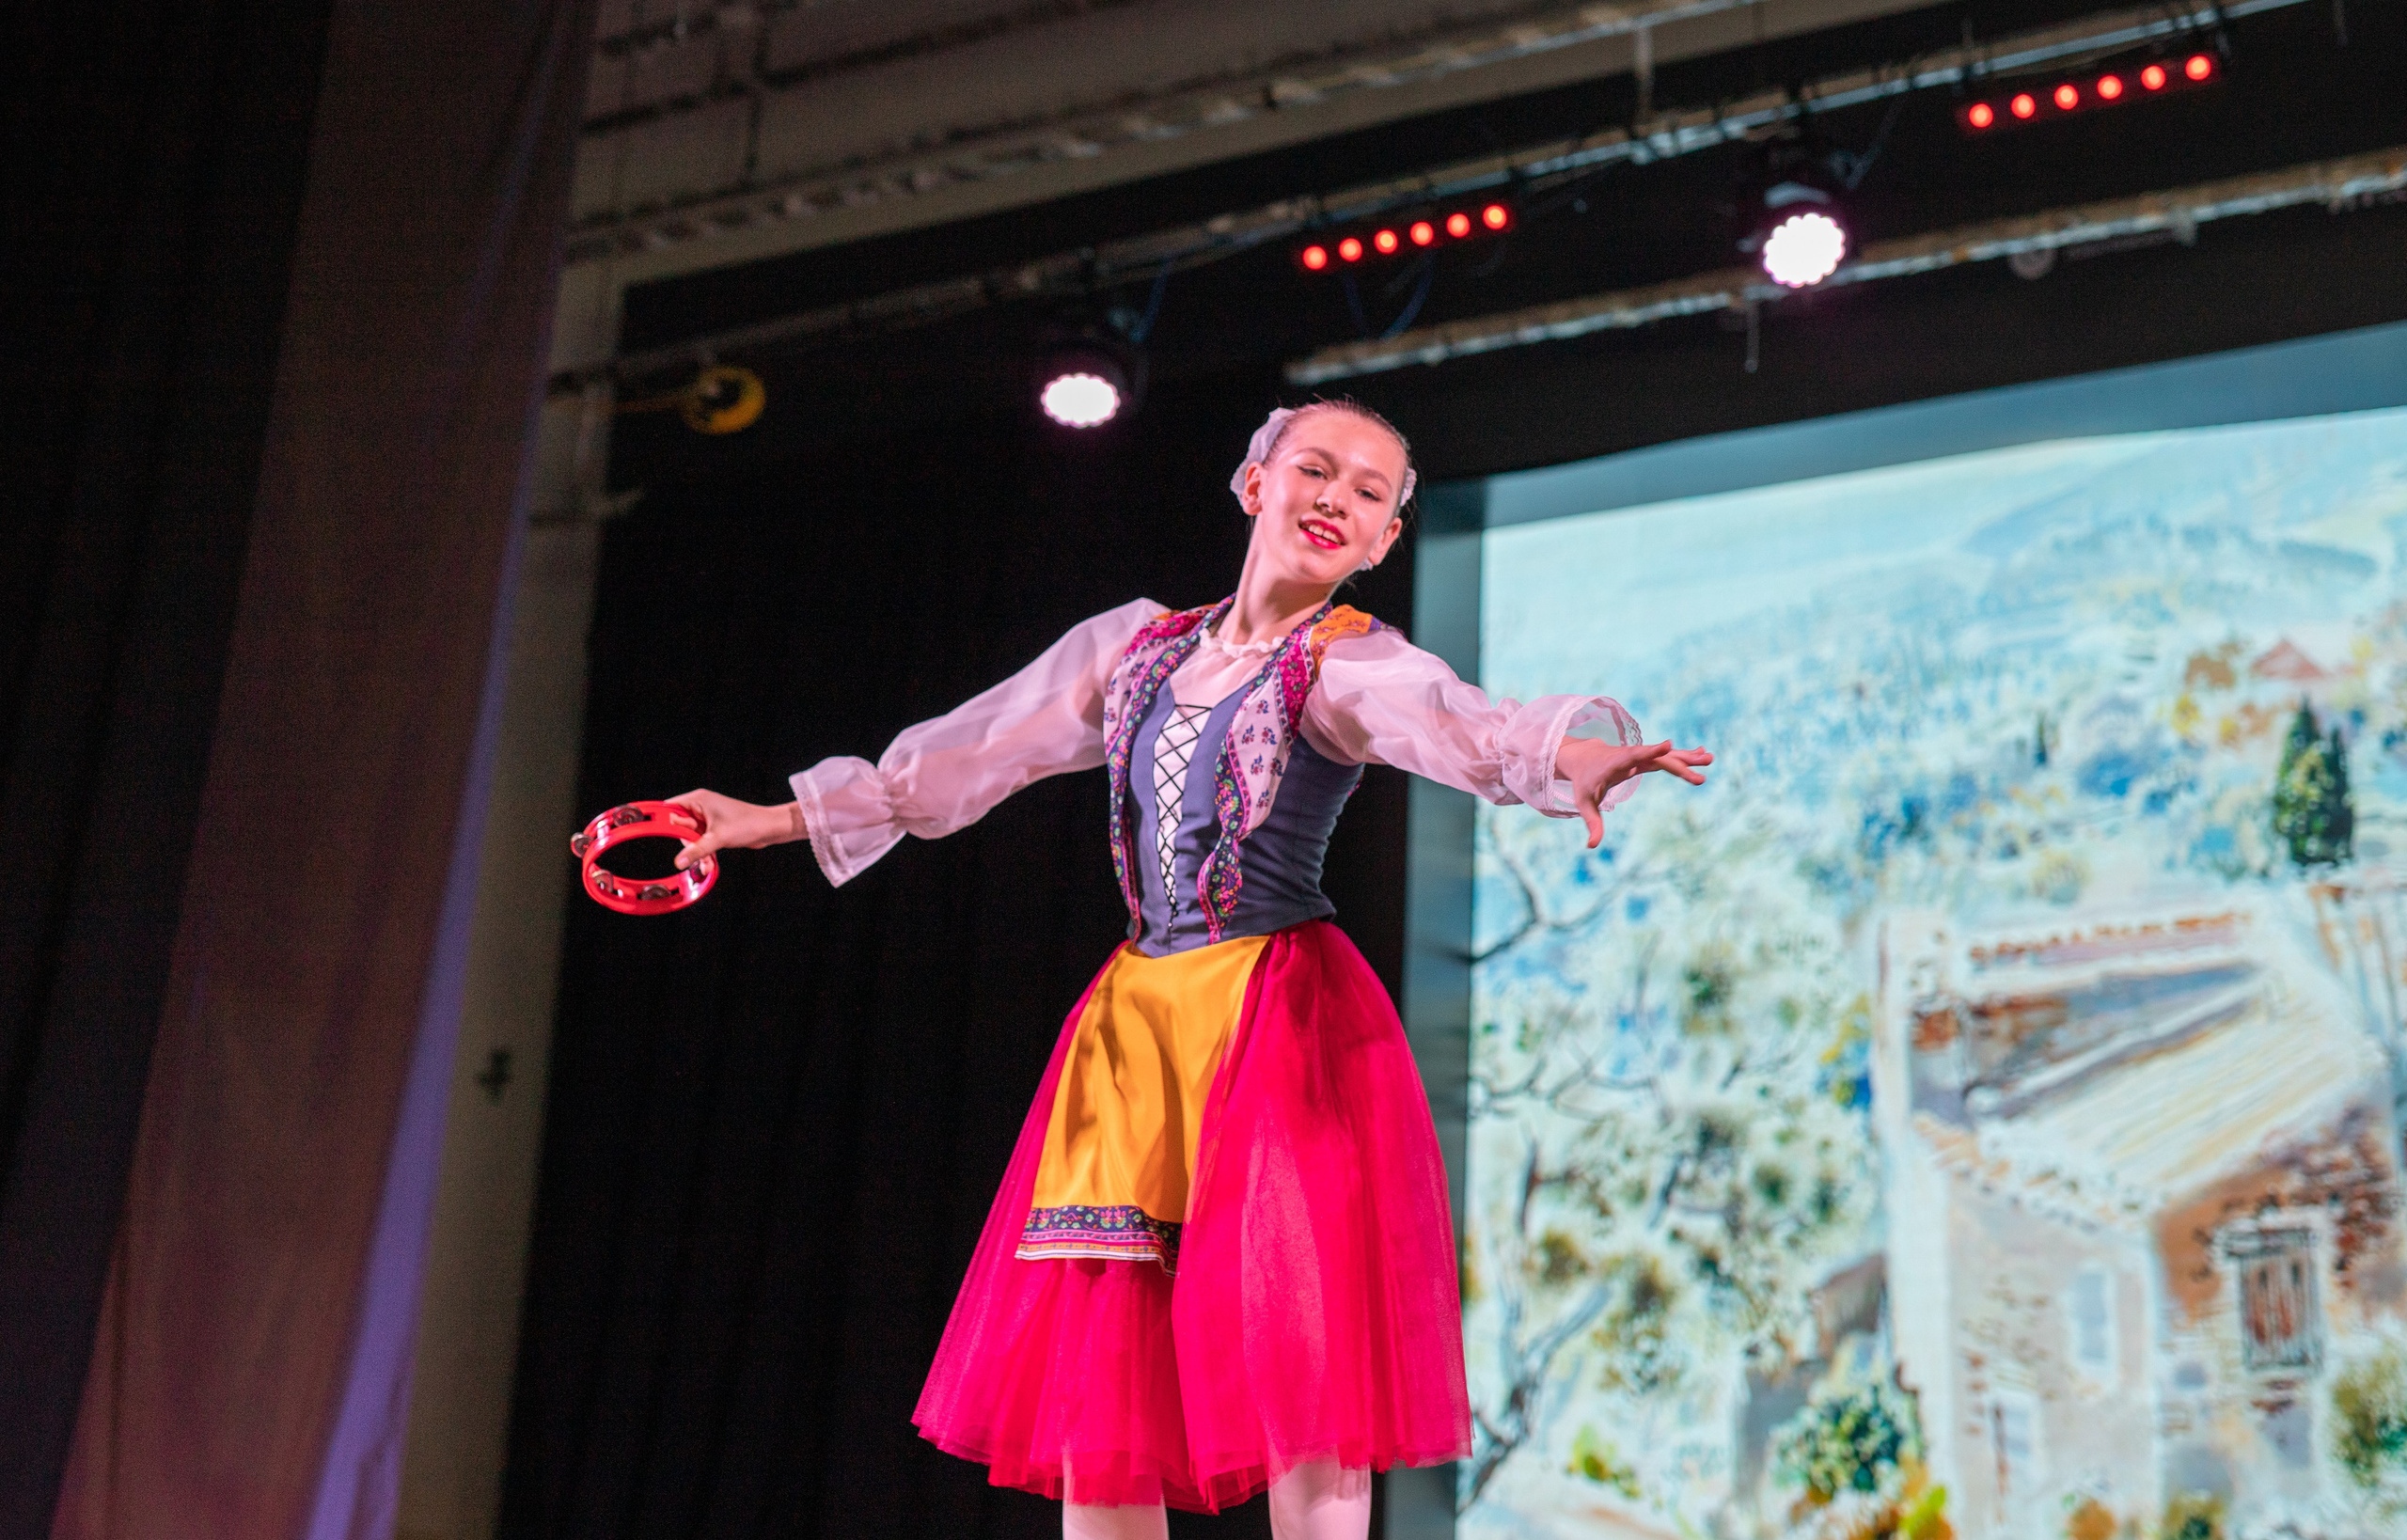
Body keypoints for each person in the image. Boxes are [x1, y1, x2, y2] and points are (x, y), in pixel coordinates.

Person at [665, 401, 1712, 1538]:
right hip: (1134, 1028)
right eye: (1315, 470)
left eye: (1367, 494)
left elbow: (1463, 728)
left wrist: (1578, 760)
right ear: (1253, 483)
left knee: (1302, 1361)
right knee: (1102, 1369)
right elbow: (961, 763)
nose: (1335, 499)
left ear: (1381, 542)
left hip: (1277, 1015)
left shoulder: (1348, 663)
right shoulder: (1135, 648)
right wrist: (768, 822)